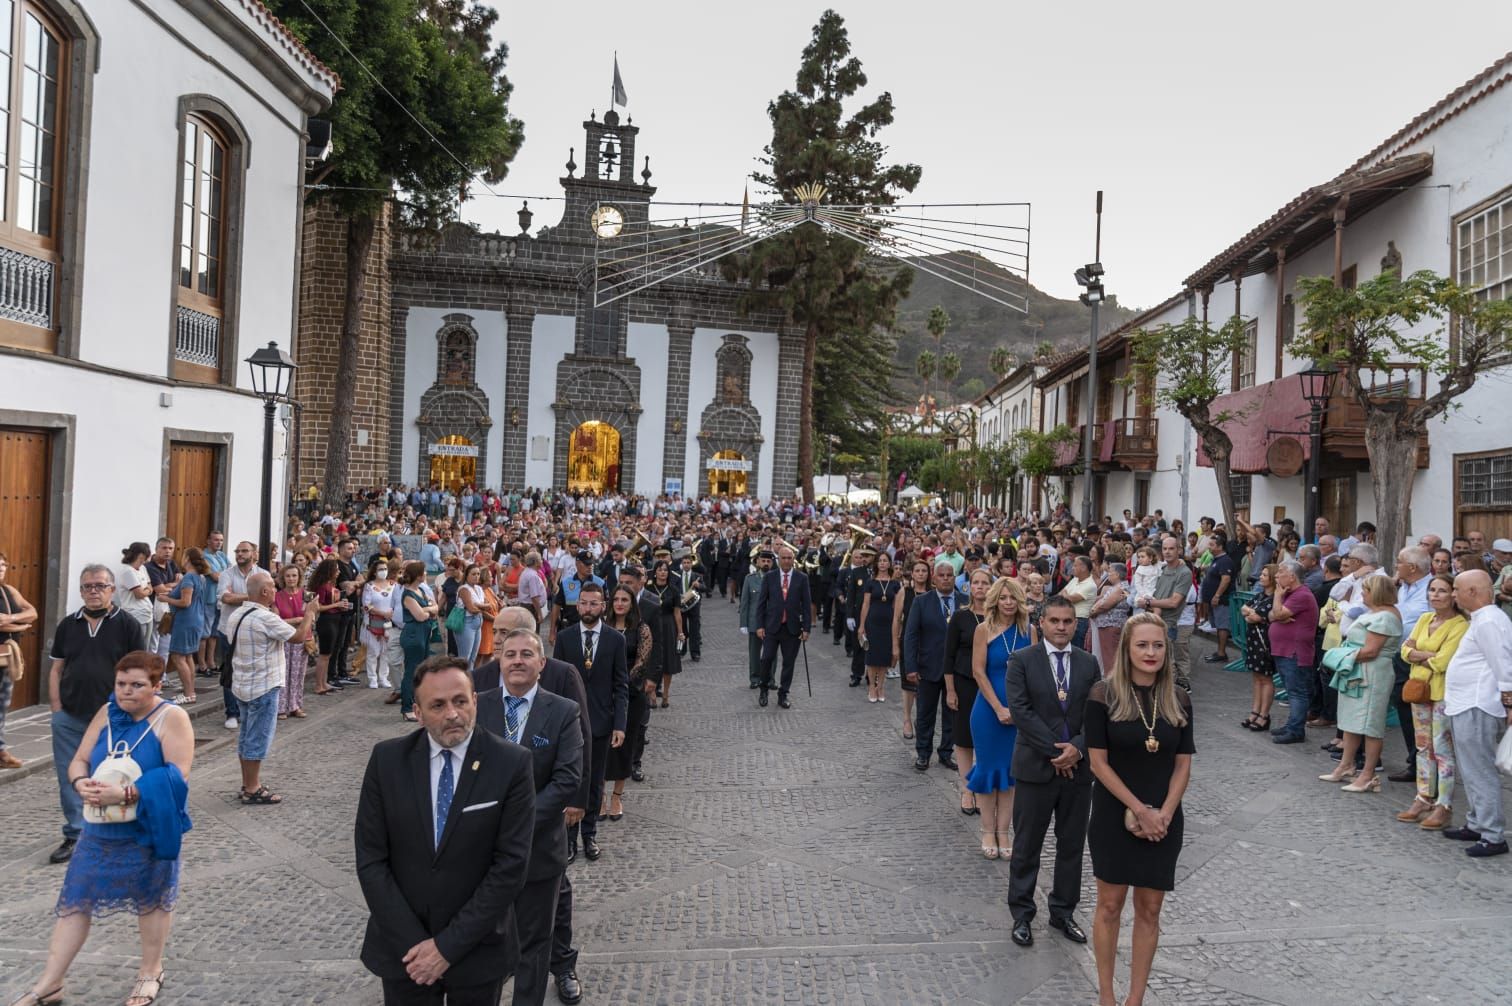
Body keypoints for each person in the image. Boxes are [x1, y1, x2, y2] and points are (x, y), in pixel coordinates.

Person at [355, 655, 536, 1004]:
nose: (452, 714)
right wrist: (417, 948)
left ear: (475, 702)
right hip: (404, 953)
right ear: (418, 713)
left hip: (478, 950)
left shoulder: (511, 763)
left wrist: (446, 948)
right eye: (437, 705)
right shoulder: (387, 761)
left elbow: (510, 867)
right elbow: (371, 859)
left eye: (460, 701)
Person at [17, 652, 193, 1006]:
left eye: (137, 685)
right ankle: (50, 984)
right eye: (121, 684)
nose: (126, 692)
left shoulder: (172, 717)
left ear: (157, 686)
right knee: (75, 901)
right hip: (99, 830)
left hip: (146, 828)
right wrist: (80, 782)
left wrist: (126, 792)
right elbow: (79, 759)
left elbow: (178, 774)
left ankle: (150, 971)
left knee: (152, 900)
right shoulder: (106, 712)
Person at [1086, 613, 1195, 1006]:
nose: (1151, 653)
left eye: (1158, 645)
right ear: (1127, 649)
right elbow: (1098, 763)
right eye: (1143, 645)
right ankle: (1106, 995)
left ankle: (1135, 999)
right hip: (1114, 814)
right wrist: (1139, 810)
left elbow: (1183, 764)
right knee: (1110, 905)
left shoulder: (1179, 697)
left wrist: (1163, 813)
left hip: (1165, 818)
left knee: (1149, 910)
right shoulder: (1103, 695)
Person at [475, 635, 584, 1006]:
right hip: (481, 852)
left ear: (542, 663)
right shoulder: (478, 706)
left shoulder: (563, 711)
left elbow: (568, 778)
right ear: (499, 662)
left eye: (527, 654)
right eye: (510, 655)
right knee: (483, 940)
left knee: (534, 944)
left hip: (539, 850)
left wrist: (517, 821)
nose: (517, 661)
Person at [1005, 595, 1098, 948]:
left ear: (1076, 624)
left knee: (1071, 845)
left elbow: (1096, 712)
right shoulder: (1022, 660)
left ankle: (1063, 911)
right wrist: (1056, 751)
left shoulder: (1089, 663)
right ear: (1041, 623)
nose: (1061, 627)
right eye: (1055, 621)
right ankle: (1022, 914)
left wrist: (1078, 748)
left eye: (1068, 621)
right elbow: (1021, 711)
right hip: (1035, 767)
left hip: (1078, 770)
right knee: (1028, 844)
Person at [46, 566, 147, 864]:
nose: (93, 591)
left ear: (112, 590)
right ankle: (76, 834)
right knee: (72, 778)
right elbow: (56, 669)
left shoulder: (127, 624)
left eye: (100, 586)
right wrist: (56, 710)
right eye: (87, 586)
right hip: (71, 716)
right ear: (80, 591)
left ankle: (113, 833)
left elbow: (139, 671)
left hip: (113, 718)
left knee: (112, 774)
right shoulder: (68, 625)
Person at [223, 572, 316, 806]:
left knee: (246, 736)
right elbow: (297, 637)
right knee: (258, 738)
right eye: (273, 587)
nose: (276, 590)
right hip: (263, 685)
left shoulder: (237, 614)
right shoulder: (265, 618)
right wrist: (309, 614)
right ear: (264, 592)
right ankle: (253, 788)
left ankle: (247, 784)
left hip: (242, 683)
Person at [552, 582, 628, 863]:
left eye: (593, 603)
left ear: (602, 605)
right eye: (583, 603)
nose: (587, 608)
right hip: (569, 724)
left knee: (595, 783)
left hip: (600, 723)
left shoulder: (614, 640)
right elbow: (555, 683)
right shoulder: (565, 638)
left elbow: (621, 685)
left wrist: (619, 724)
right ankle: (569, 839)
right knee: (571, 780)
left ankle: (589, 834)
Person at [1441, 570, 1512, 857]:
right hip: (1467, 703)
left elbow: (1503, 663)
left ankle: (1493, 834)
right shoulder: (1482, 619)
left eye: (1456, 589)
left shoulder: (1491, 621)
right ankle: (1477, 822)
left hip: (1478, 704)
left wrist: (1508, 701)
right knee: (1471, 769)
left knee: (1479, 770)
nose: (1453, 594)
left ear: (1473, 591)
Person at [966, 576, 1034, 860]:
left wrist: (1023, 710)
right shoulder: (983, 629)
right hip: (988, 711)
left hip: (1020, 711)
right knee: (987, 771)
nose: (1008, 603)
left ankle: (1004, 832)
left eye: (1013, 598)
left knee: (1010, 775)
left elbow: (1035, 671)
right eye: (1003, 598)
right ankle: (987, 830)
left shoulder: (1029, 630)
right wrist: (998, 708)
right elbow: (978, 672)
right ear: (995, 600)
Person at [1396, 573, 1466, 831]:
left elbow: (1443, 661)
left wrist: (1418, 654)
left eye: (1442, 591)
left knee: (1442, 748)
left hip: (1442, 693)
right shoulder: (1425, 618)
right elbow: (1404, 650)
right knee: (1423, 746)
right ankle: (1423, 797)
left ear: (1453, 595)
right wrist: (1423, 654)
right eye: (1432, 590)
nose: (1435, 595)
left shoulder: (1459, 624)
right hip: (1419, 690)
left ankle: (1444, 804)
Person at [1320, 575, 1403, 792]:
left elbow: (1371, 651)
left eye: (1365, 590)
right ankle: (1346, 765)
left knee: (1369, 724)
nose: (1362, 594)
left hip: (1372, 673)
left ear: (1376, 592)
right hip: (1357, 670)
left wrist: (1338, 656)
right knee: (1350, 720)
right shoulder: (1374, 613)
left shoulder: (1385, 617)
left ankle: (1368, 774)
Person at [904, 562, 967, 771]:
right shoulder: (921, 602)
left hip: (957, 670)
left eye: (950, 575)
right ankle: (923, 753)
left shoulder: (965, 601)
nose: (946, 578)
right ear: (934, 578)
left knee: (952, 714)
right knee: (925, 713)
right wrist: (911, 666)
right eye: (942, 575)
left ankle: (946, 753)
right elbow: (911, 635)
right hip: (928, 667)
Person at [604, 584, 654, 817]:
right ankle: (601, 794)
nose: (620, 603)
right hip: (604, 695)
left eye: (625, 599)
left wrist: (621, 683)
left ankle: (617, 797)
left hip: (631, 695)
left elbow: (642, 662)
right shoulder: (604, 627)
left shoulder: (641, 628)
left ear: (632, 603)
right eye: (617, 599)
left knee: (625, 746)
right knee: (602, 745)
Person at [944, 567, 992, 814]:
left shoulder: (998, 618)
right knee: (964, 738)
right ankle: (967, 790)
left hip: (992, 685)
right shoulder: (961, 617)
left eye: (985, 583)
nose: (980, 587)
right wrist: (950, 690)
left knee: (986, 738)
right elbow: (949, 655)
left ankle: (982, 785)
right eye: (976, 583)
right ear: (969, 587)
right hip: (964, 683)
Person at [1267, 561, 1320, 744]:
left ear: (1292, 577)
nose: (1276, 576)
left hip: (1295, 652)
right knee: (1291, 690)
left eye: (1280, 572)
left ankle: (1296, 730)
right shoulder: (1289, 594)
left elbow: (1278, 614)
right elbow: (1271, 615)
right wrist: (1278, 611)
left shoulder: (1302, 595)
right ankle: (1292, 724)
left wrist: (1277, 598)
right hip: (1283, 650)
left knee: (1297, 692)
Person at [754, 546, 812, 710]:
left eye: (789, 558)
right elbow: (761, 604)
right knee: (766, 659)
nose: (786, 561)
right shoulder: (770, 577)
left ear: (793, 559)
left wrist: (806, 628)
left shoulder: (802, 578)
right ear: (778, 560)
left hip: (792, 629)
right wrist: (759, 625)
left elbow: (807, 606)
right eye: (783, 558)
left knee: (789, 662)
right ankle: (763, 689)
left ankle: (783, 694)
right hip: (772, 626)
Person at [0, 550, 39, 768]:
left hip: (6, 657)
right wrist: (21, 625)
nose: (1, 569)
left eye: (3, 565)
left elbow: (32, 612)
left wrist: (12, 618)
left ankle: (1, 750)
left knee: (2, 704)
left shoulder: (8, 591)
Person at [163, 547, 210, 705]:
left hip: (185, 620)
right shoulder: (200, 577)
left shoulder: (189, 577)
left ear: (188, 558)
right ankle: (190, 692)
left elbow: (185, 602)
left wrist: (166, 599)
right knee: (188, 655)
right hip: (196, 619)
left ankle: (188, 693)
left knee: (177, 657)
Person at [892, 558, 931, 740]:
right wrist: (894, 645)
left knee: (924, 684)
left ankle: (920, 719)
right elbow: (896, 620)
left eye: (924, 570)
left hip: (928, 644)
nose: (921, 574)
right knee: (908, 684)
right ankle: (907, 719)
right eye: (918, 571)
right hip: (908, 643)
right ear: (912, 573)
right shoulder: (904, 592)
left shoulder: (933, 593)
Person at [398, 562, 441, 723]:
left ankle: (418, 703)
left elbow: (436, 607)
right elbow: (420, 616)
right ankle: (407, 707)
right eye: (423, 572)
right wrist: (429, 609)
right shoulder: (408, 595)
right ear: (418, 575)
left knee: (421, 671)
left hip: (423, 632)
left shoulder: (421, 590)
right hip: (413, 634)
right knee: (412, 671)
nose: (425, 574)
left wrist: (429, 609)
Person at [1237, 565, 1278, 732]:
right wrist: (1252, 614)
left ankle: (1264, 715)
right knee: (1256, 677)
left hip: (1265, 642)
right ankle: (1255, 710)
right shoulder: (1260, 595)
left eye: (1264, 575)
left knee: (1266, 678)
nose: (1261, 577)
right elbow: (1244, 609)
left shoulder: (1275, 598)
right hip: (1253, 640)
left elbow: (1255, 616)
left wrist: (1252, 615)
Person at [859, 551, 902, 703]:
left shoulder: (895, 584)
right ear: (876, 563)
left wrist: (898, 626)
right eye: (880, 561)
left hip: (888, 623)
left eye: (885, 561)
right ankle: (872, 686)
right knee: (872, 657)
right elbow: (865, 604)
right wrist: (861, 626)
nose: (883, 563)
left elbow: (897, 606)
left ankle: (881, 686)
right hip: (872, 622)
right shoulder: (870, 582)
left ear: (890, 563)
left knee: (884, 657)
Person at [307, 558, 352, 697]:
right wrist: (336, 605)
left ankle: (323, 682)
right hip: (327, 620)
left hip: (335, 619)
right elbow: (318, 606)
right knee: (324, 655)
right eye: (336, 570)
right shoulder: (322, 586)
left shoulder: (329, 584)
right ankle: (319, 685)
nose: (338, 572)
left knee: (328, 654)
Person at [273, 565, 311, 720]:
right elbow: (275, 620)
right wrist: (295, 620)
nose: (291, 579)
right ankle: (281, 707)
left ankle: (295, 705)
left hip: (302, 638)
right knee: (283, 674)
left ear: (299, 577)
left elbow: (311, 615)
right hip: (284, 639)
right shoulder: (277, 596)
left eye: (294, 575)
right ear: (283, 578)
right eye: (288, 576)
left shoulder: (306, 595)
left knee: (298, 674)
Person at [360, 559, 402, 691]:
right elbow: (366, 606)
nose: (383, 572)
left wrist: (392, 613)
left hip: (390, 622)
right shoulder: (369, 586)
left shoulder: (393, 585)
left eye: (385, 569)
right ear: (374, 571)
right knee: (373, 651)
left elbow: (398, 602)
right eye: (380, 569)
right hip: (373, 622)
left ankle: (383, 677)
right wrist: (382, 613)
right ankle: (372, 678)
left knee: (386, 651)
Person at [650, 561, 684, 706]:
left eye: (665, 570)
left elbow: (677, 613)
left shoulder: (674, 590)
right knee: (651, 660)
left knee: (667, 661)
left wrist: (680, 632)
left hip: (668, 626)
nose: (663, 572)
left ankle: (665, 694)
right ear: (655, 572)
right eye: (660, 569)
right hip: (652, 625)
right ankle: (651, 694)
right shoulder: (649, 588)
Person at [738, 550, 774, 688]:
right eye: (763, 561)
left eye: (768, 561)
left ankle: (770, 679)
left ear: (772, 563)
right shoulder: (750, 578)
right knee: (754, 653)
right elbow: (745, 602)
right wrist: (743, 623)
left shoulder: (776, 578)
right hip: (754, 621)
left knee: (771, 653)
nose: (765, 563)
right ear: (758, 562)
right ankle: (755, 678)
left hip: (772, 622)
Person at [1089, 563, 1131, 675]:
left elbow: (1106, 605)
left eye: (1110, 572)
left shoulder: (1120, 587)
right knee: (1108, 656)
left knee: (1110, 657)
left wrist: (1092, 612)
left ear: (1117, 574)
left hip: (1111, 626)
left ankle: (1111, 683)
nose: (1108, 575)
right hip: (1108, 626)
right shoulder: (1116, 587)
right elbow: (1101, 600)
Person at [116, 543, 155, 644]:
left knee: (146, 647)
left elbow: (150, 586)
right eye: (146, 556)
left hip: (147, 613)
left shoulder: (143, 568)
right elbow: (139, 594)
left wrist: (147, 590)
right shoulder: (127, 571)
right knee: (137, 648)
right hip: (135, 615)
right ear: (140, 556)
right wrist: (148, 590)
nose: (147, 559)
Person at [1060, 555, 1097, 650]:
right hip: (1069, 618)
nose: (1072, 568)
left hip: (1080, 621)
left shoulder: (1090, 585)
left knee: (1076, 649)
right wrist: (1065, 594)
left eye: (1075, 566)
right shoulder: (1075, 579)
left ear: (1083, 568)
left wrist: (1065, 593)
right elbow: (1060, 594)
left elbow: (1069, 599)